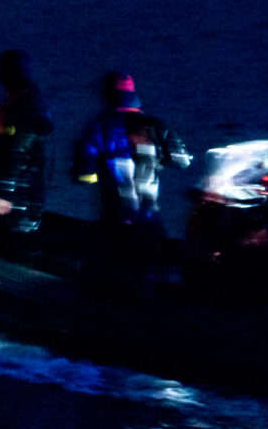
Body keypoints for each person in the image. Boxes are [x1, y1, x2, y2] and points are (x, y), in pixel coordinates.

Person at [71, 70, 190, 289]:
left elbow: (83, 175)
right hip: (150, 218)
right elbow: (183, 161)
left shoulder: (100, 126)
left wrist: (96, 172)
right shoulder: (156, 124)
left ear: (107, 95)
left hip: (115, 218)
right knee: (149, 278)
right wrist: (156, 160)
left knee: (105, 279)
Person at [0, 48, 52, 236]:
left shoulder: (30, 103)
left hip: (18, 197)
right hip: (13, 188)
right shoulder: (21, 99)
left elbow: (19, 147)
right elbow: (5, 126)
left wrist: (5, 194)